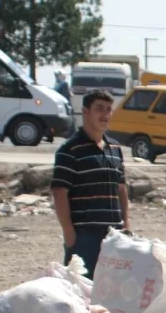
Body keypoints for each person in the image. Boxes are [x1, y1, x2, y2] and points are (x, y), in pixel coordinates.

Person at [51, 90, 129, 278]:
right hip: (85, 236)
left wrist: (126, 224)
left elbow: (121, 189)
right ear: (86, 112)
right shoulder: (69, 150)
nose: (105, 115)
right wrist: (70, 234)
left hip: (114, 236)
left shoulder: (116, 149)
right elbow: (59, 191)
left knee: (113, 293)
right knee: (81, 294)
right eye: (99, 109)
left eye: (109, 110)